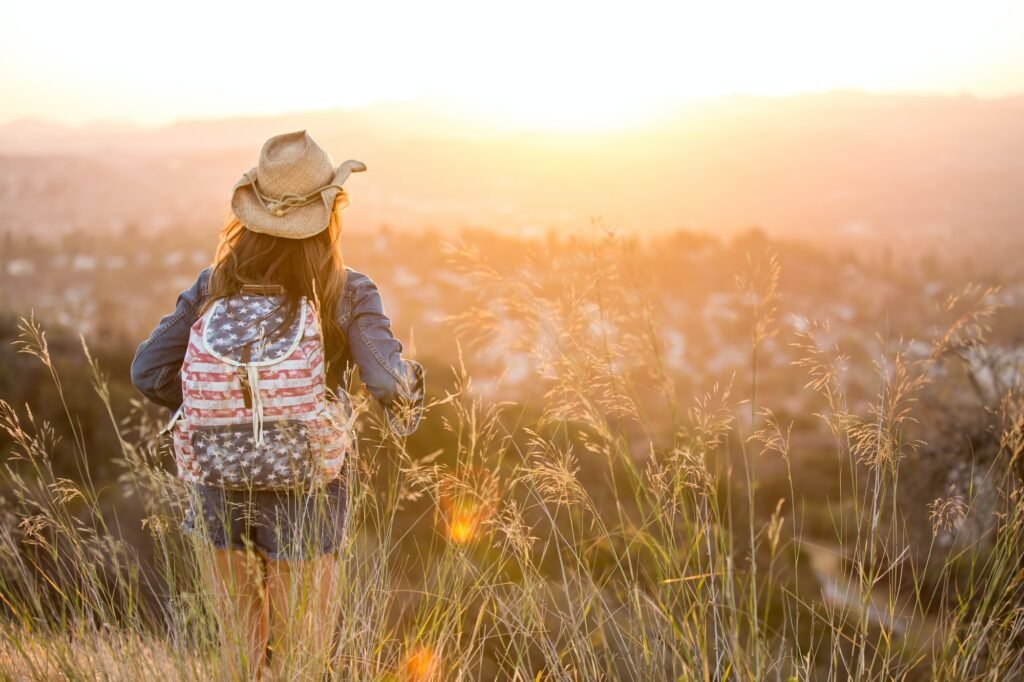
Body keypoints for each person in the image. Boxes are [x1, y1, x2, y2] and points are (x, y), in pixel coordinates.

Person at [130, 130, 424, 679]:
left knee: (240, 660)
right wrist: (405, 391)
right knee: (303, 663)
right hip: (307, 488)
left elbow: (146, 371)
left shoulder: (213, 285)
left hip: (218, 485)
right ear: (330, 212)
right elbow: (387, 383)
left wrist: (221, 407)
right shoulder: (348, 290)